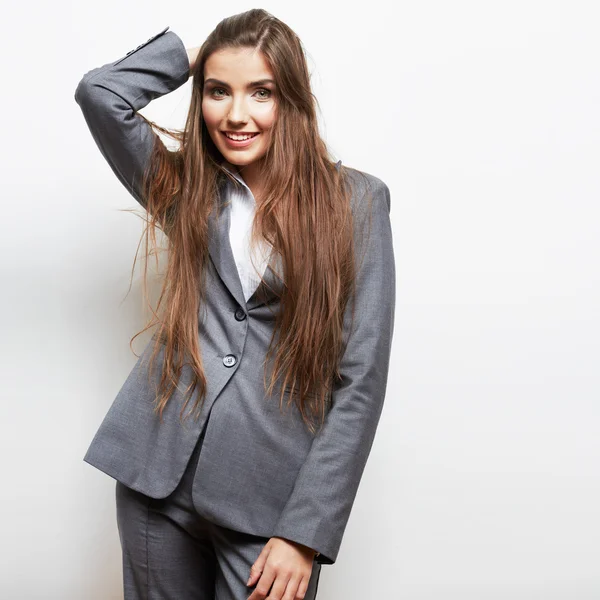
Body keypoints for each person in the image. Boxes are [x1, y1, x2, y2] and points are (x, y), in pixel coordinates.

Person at [74, 9, 396, 600]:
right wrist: (196, 54)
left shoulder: (357, 204)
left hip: (268, 503)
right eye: (219, 92)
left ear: (292, 99)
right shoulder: (189, 189)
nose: (236, 114)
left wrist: (305, 533)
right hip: (157, 481)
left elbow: (360, 382)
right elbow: (100, 95)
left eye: (261, 92)